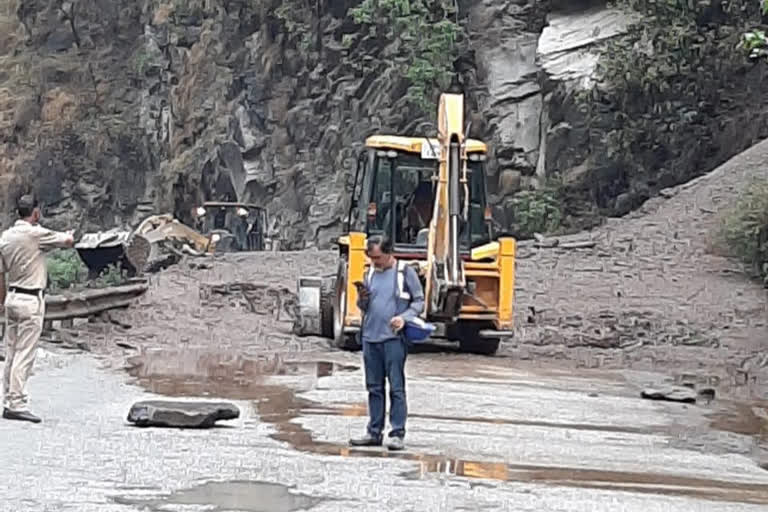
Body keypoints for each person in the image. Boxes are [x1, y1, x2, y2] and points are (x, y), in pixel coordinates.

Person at [0, 194, 74, 423]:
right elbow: (66, 242)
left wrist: (1, 303)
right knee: (24, 353)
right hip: (31, 300)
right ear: (35, 212)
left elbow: (1, 273)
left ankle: (8, 398)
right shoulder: (36, 234)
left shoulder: (6, 237)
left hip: (12, 297)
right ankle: (16, 403)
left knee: (11, 352)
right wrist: (70, 235)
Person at [350, 235, 424, 450]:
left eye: (378, 258)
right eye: (371, 258)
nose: (375, 262)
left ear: (389, 252)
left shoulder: (404, 272)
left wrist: (404, 318)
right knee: (374, 387)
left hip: (393, 339)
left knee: (396, 388)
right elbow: (364, 306)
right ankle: (374, 432)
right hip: (370, 338)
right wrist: (362, 298)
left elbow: (419, 301)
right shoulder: (370, 272)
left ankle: (397, 433)